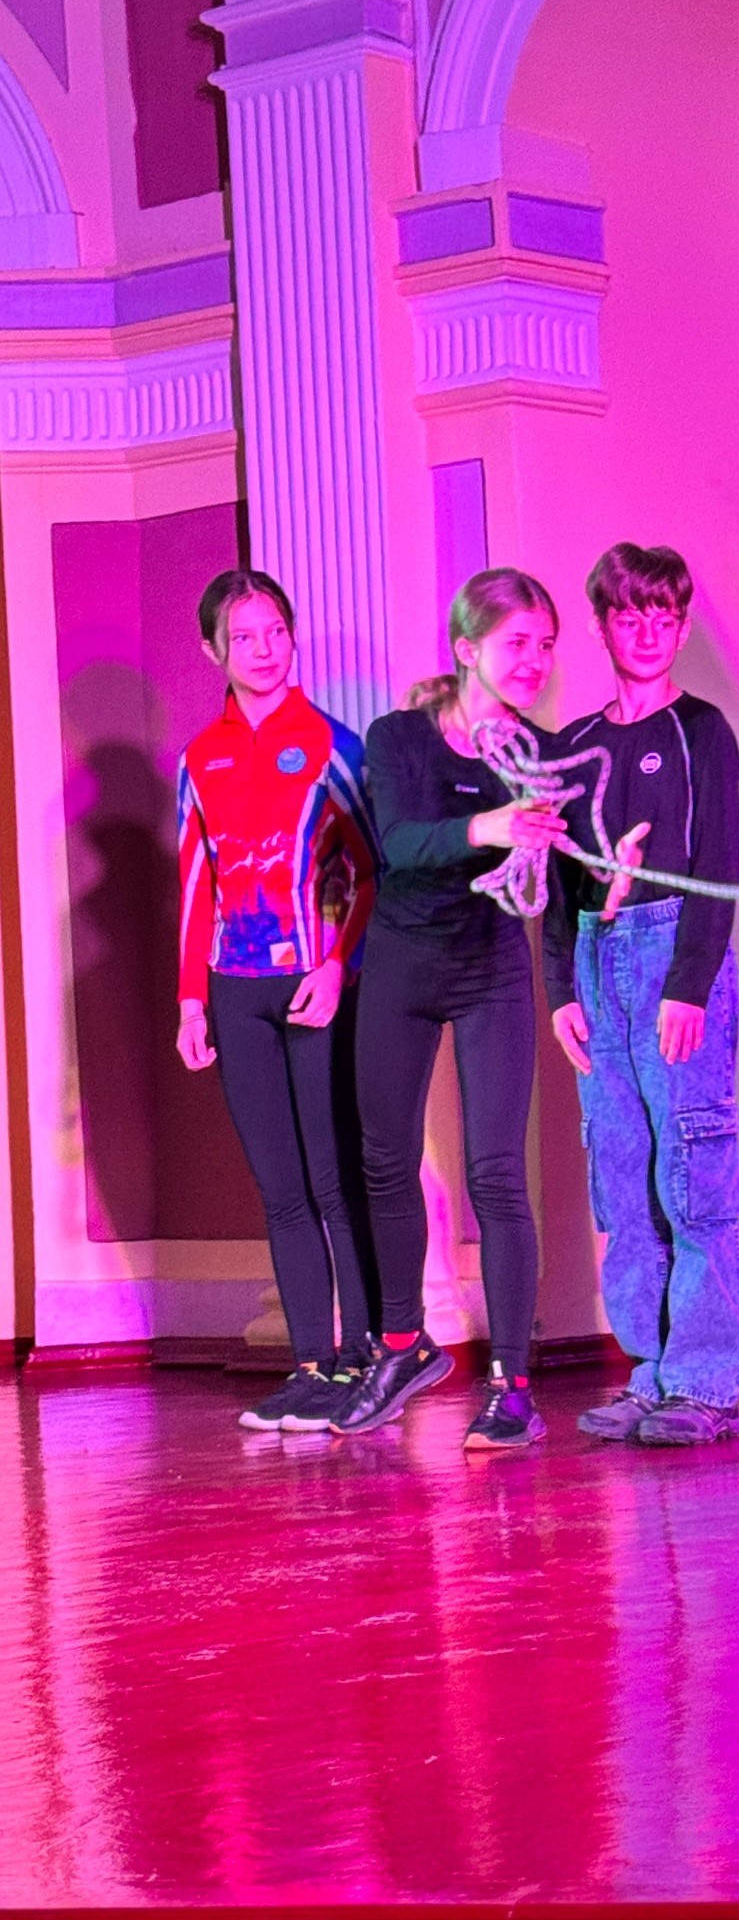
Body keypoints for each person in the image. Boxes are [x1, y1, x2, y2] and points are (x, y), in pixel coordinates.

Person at [333, 569, 568, 1449]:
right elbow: (398, 845)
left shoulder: (539, 756)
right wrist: (489, 827)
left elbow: (565, 875)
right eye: (518, 643)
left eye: (547, 646)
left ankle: (513, 1387)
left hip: (489, 970)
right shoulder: (398, 736)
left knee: (496, 1176)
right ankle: (403, 1349)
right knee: (384, 1160)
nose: (535, 661)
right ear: (468, 650)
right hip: (402, 966)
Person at [544, 543, 739, 1445]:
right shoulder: (572, 747)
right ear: (602, 625)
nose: (648, 633)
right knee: (623, 1177)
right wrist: (562, 987)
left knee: (693, 1169)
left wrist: (690, 985)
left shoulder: (701, 730)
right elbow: (557, 882)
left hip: (674, 951)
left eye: (664, 618)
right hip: (600, 959)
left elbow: (720, 862)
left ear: (682, 624)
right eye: (630, 617)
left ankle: (704, 1381)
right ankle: (650, 1369)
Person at [175, 568, 380, 1431]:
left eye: (276, 632)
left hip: (316, 989)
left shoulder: (333, 743)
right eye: (244, 637)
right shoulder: (199, 757)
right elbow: (195, 882)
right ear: (213, 650)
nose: (264, 650)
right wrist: (192, 1003)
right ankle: (310, 1366)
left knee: (334, 1178)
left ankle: (365, 1358)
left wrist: (336, 966)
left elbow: (371, 871)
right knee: (282, 1188)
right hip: (236, 994)